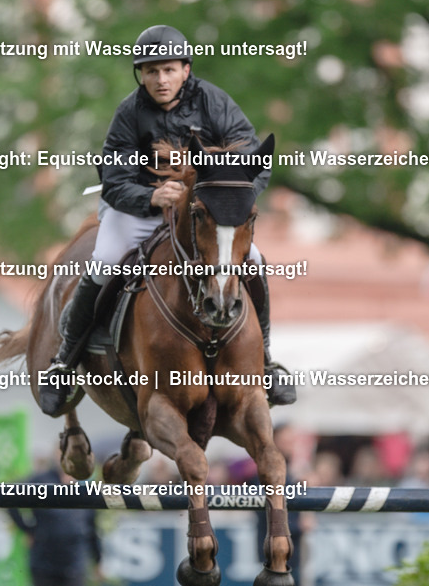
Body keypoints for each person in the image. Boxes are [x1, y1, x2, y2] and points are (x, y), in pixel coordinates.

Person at [39, 24, 295, 415]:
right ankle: (64, 361)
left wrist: (226, 200)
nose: (160, 79)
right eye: (151, 71)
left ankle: (267, 362)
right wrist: (151, 196)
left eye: (169, 70)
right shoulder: (129, 112)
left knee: (255, 262)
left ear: (186, 70)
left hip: (202, 214)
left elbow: (250, 161)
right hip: (139, 210)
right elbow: (114, 178)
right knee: (106, 261)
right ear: (141, 74)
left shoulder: (215, 102)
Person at [8, 462, 102, 586]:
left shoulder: (86, 487)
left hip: (74, 564)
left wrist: (98, 560)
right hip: (44, 563)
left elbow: (91, 528)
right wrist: (28, 529)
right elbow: (11, 495)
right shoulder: (41, 480)